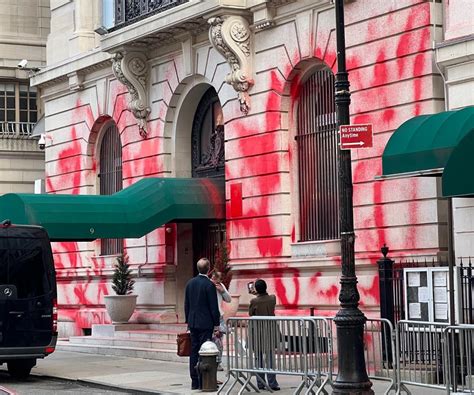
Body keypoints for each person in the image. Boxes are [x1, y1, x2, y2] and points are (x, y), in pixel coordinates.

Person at [185, 258, 220, 390]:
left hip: (193, 322)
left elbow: (186, 304)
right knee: (204, 352)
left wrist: (188, 321)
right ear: (209, 268)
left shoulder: (190, 283)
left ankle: (194, 381)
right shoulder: (209, 285)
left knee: (194, 351)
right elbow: (213, 307)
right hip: (205, 323)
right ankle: (202, 381)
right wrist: (216, 324)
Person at [248, 279, 280, 391]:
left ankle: (260, 383)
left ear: (256, 289)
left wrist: (255, 295)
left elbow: (251, 313)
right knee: (270, 358)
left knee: (259, 358)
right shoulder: (272, 298)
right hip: (270, 331)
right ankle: (272, 383)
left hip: (258, 332)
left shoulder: (254, 301)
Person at [210, 271, 231, 371]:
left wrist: (222, 291)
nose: (216, 280)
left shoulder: (220, 286)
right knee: (211, 340)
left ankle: (218, 362)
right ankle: (211, 362)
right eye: (215, 277)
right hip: (210, 317)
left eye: (218, 278)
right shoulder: (207, 285)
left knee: (219, 342)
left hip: (219, 316)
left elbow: (228, 299)